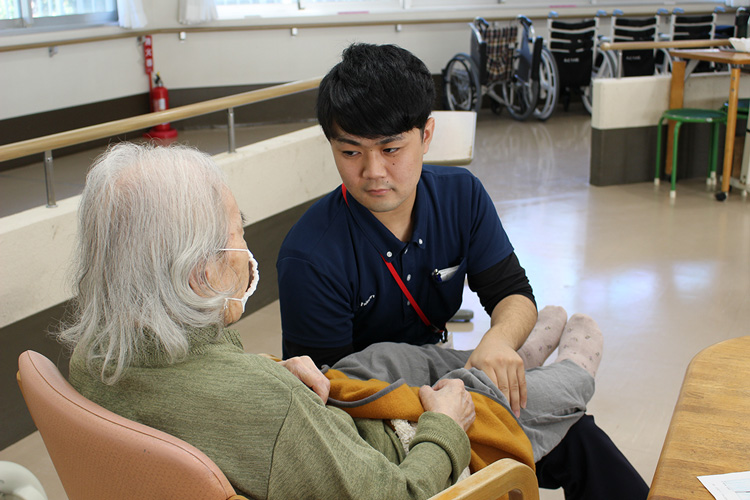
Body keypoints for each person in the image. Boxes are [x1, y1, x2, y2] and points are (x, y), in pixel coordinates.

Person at [58, 142, 606, 499]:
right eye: (236, 233)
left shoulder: (93, 360)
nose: (244, 248)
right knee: (478, 395)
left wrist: (275, 373)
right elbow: (400, 494)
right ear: (197, 271)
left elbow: (223, 395)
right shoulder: (274, 403)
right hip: (389, 449)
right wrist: (443, 427)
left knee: (387, 362)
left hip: (325, 409)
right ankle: (572, 367)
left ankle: (513, 351)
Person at [276, 43, 649, 499]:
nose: (373, 172)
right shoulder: (309, 255)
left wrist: (498, 340)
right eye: (350, 152)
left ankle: (523, 357)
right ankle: (566, 366)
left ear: (426, 134)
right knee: (541, 408)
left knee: (579, 436)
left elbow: (513, 293)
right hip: (381, 420)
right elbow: (333, 399)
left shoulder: (460, 196)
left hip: (444, 371)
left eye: (391, 149)